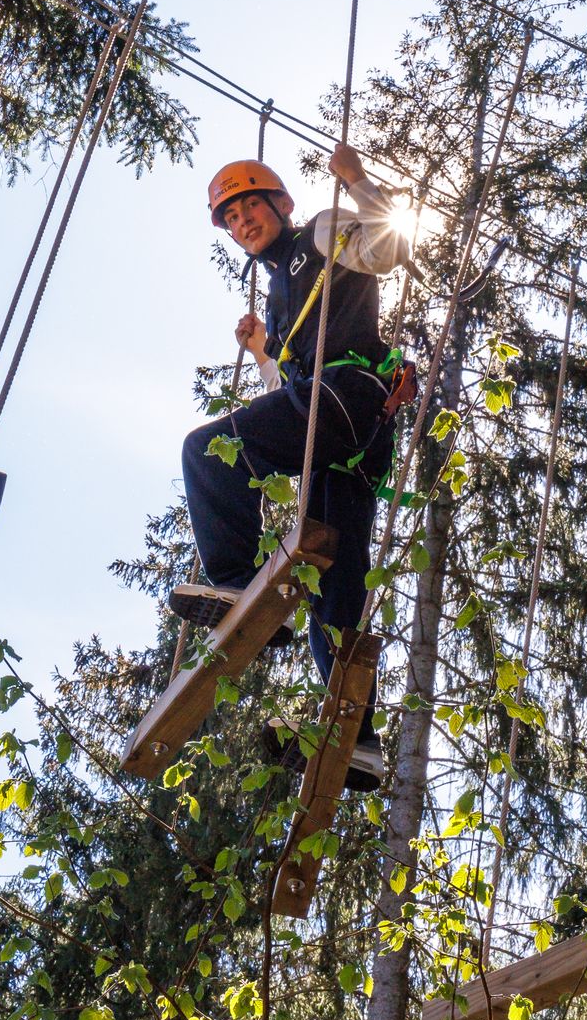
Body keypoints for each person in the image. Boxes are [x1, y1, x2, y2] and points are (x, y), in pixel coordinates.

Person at [171, 141, 412, 785]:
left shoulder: (324, 232)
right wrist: (261, 351)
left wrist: (359, 182)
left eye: (252, 207)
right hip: (344, 435)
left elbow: (391, 249)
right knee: (335, 577)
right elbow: (287, 391)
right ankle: (354, 735)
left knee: (207, 452)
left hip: (346, 399)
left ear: (281, 204)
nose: (244, 222)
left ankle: (232, 581)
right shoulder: (279, 299)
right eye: (232, 219)